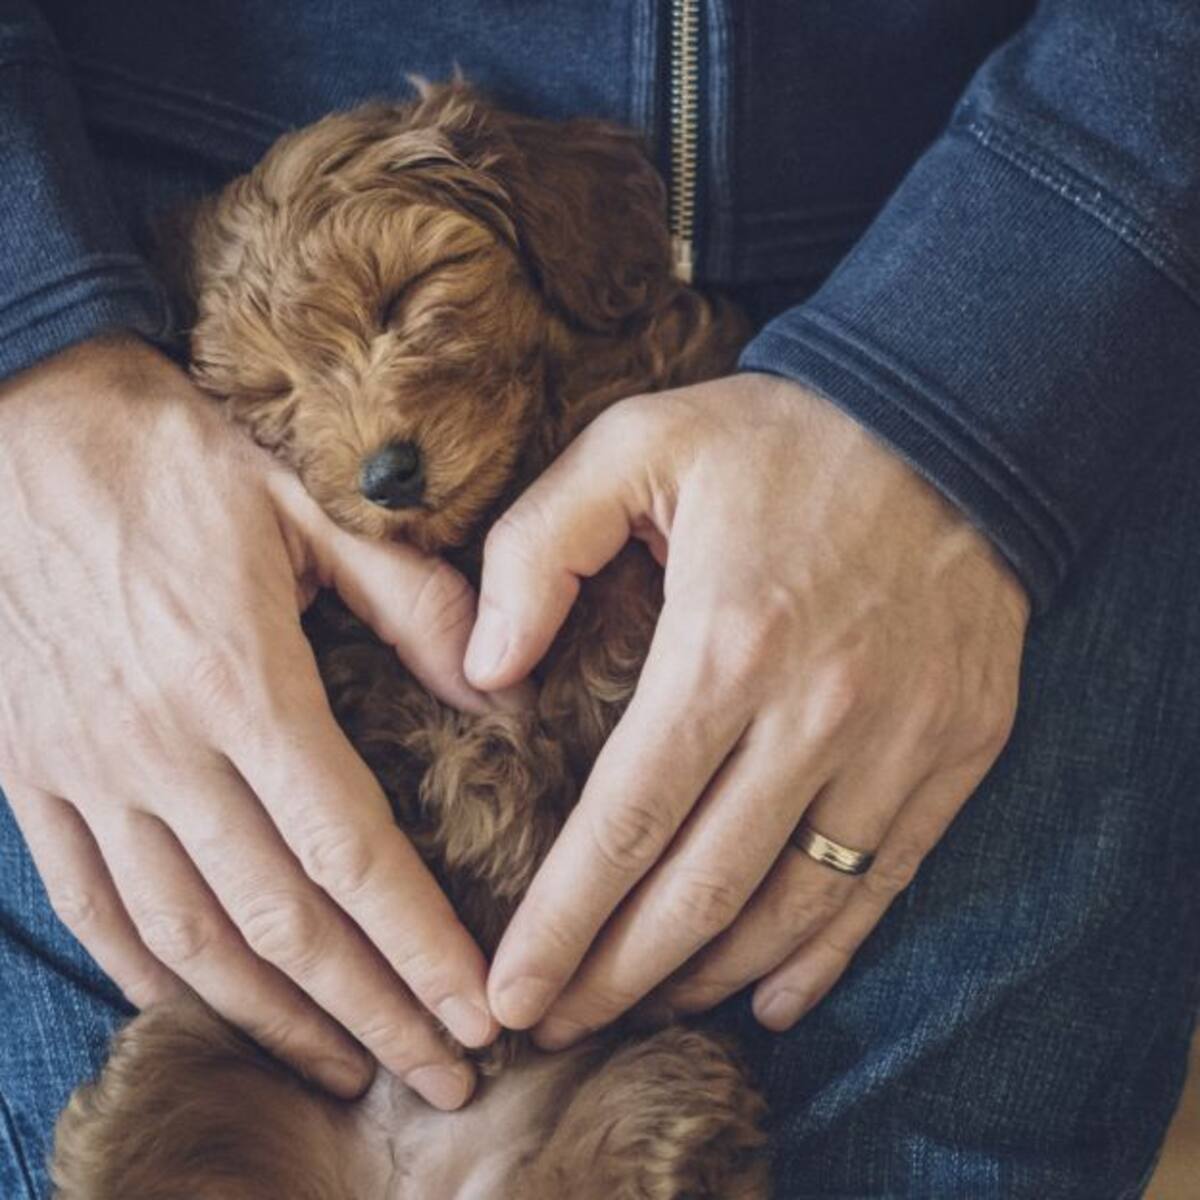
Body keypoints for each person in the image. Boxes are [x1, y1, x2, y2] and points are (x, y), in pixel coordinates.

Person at [1, 1, 1197, 1196]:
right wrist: (30, 351)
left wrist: (965, 391)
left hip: (990, 240)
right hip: (123, 321)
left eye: (407, 307)